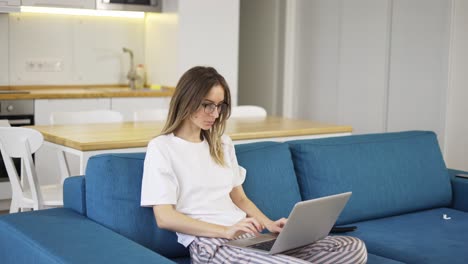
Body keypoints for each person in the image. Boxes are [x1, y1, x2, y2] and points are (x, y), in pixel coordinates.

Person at [141, 66, 367, 263]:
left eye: (220, 106)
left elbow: (239, 198)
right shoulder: (161, 148)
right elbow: (165, 217)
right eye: (207, 105)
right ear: (186, 100)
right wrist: (226, 231)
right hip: (211, 245)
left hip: (247, 237)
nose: (215, 114)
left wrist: (269, 224)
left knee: (353, 248)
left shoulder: (222, 143)